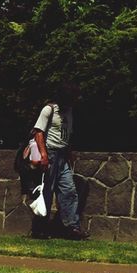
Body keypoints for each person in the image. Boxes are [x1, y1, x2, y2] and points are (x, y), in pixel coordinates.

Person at [30, 89, 88, 240]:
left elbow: (68, 134)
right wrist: (44, 155)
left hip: (62, 156)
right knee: (47, 192)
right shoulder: (49, 110)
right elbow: (38, 132)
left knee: (69, 190)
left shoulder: (69, 112)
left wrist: (69, 154)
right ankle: (40, 228)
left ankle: (72, 228)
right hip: (50, 154)